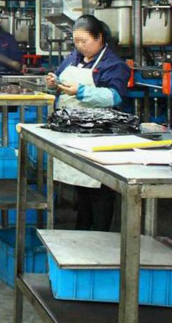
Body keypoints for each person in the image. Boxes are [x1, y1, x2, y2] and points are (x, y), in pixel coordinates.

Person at [45, 15, 130, 231]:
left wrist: (80, 91)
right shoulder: (74, 58)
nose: (79, 46)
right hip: (73, 132)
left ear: (99, 38)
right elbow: (59, 79)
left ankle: (100, 236)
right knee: (81, 187)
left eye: (84, 41)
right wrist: (53, 83)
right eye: (76, 41)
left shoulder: (114, 64)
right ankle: (82, 231)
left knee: (99, 189)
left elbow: (114, 97)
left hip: (99, 135)